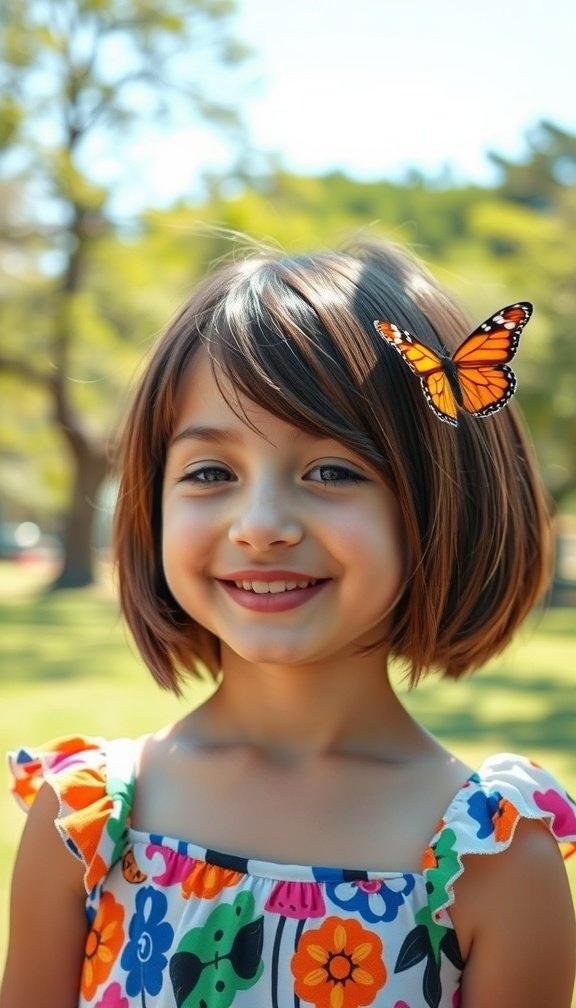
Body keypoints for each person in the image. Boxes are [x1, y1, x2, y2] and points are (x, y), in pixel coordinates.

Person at [2, 240, 575, 1008]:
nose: (261, 524)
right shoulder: (85, 821)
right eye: (211, 473)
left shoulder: (493, 857)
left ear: (444, 499)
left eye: (332, 471)